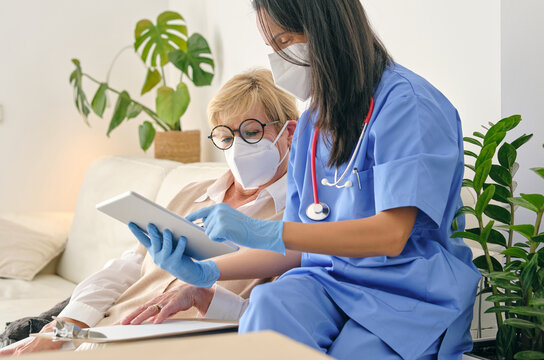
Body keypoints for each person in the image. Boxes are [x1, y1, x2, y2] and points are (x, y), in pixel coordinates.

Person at [129, 1, 481, 359]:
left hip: (406, 293)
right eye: (271, 47)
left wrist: (263, 230)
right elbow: (299, 246)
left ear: (327, 28)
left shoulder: (409, 104)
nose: (277, 59)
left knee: (355, 351)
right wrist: (206, 271)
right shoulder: (313, 123)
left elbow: (391, 235)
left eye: (284, 41)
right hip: (328, 283)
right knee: (268, 311)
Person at [0, 68, 299, 356]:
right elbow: (128, 267)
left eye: (250, 132)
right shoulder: (193, 194)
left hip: (169, 346)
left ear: (288, 133)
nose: (236, 148)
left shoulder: (296, 222)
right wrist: (62, 327)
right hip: (100, 331)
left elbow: (274, 320)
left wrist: (204, 296)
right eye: (225, 136)